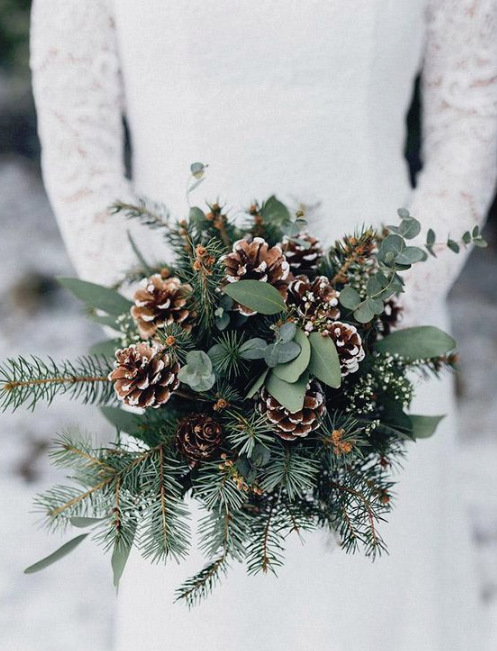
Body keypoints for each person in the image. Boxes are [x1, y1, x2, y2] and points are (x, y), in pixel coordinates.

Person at [30, 1, 497, 649]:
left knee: (380, 612)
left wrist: (379, 305)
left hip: (380, 348)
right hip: (189, 385)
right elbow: (78, 144)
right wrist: (176, 331)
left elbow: (470, 121)